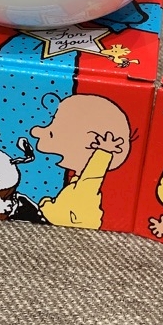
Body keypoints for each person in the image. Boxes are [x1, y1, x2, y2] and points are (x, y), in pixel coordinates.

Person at [30, 94, 131, 230]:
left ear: (91, 144)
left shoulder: (85, 187)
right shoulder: (76, 184)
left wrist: (103, 152)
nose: (35, 132)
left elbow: (93, 176)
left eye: (51, 133)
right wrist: (47, 204)